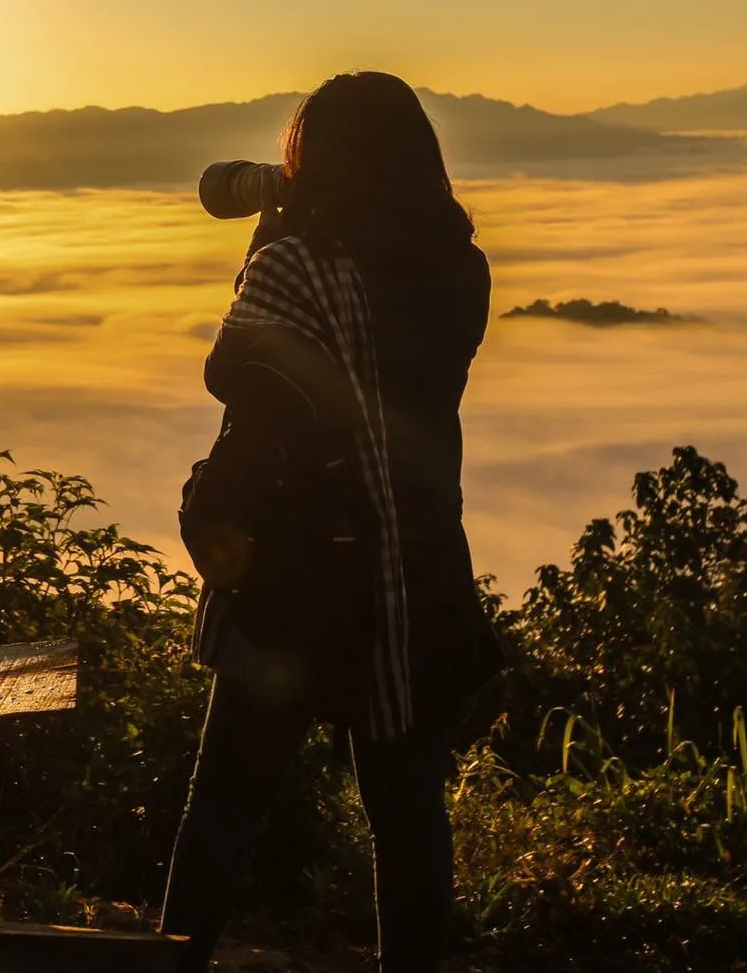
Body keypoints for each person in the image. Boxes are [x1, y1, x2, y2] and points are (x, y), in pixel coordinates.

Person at [162, 71, 503, 972]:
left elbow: (237, 377)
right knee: (409, 821)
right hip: (417, 577)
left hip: (298, 584)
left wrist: (270, 241)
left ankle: (174, 963)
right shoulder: (461, 268)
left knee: (226, 807)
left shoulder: (297, 267)